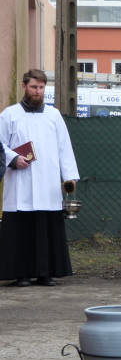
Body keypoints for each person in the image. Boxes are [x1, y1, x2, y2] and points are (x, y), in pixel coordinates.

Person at [0, 69, 80, 287]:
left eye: (41, 87)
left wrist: (70, 178)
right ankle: (21, 274)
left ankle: (45, 272)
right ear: (24, 86)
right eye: (34, 87)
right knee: (21, 229)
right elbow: (0, 144)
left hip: (48, 184)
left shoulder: (53, 116)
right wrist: (13, 158)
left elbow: (65, 148)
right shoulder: (9, 115)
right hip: (20, 182)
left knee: (46, 229)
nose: (37, 91)